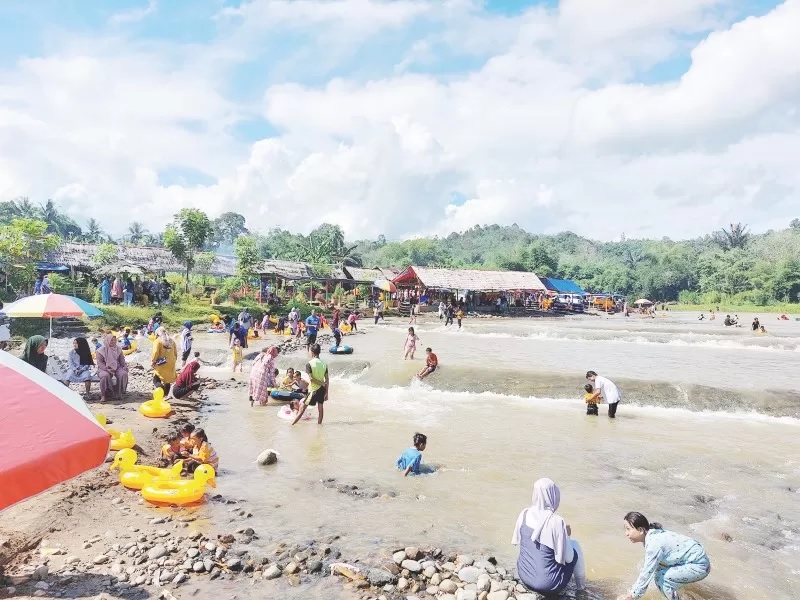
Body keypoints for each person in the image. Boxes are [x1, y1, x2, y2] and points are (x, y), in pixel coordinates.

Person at [512, 478, 587, 596]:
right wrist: (566, 536)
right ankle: (581, 589)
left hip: (524, 577)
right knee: (575, 545)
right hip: (549, 585)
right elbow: (569, 558)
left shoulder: (524, 513)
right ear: (553, 495)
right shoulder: (556, 521)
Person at [616, 512, 710, 600]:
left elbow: (647, 572)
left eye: (628, 529)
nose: (626, 533)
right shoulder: (652, 534)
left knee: (661, 577)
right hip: (696, 560)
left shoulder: (653, 544)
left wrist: (632, 596)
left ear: (640, 530)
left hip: (699, 565)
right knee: (655, 569)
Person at [292, 343, 328, 425]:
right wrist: (326, 392)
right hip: (322, 390)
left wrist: (321, 383)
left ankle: (291, 425)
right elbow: (327, 379)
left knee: (302, 408)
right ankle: (319, 427)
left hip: (313, 390)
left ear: (312, 352)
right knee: (320, 408)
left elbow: (311, 379)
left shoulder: (309, 364)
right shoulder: (324, 364)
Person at [96, 333, 129, 402]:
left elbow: (121, 359)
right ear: (107, 340)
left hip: (117, 366)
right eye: (111, 340)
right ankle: (103, 395)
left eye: (114, 340)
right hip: (104, 368)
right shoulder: (100, 350)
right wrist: (107, 369)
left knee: (123, 374)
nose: (113, 342)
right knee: (105, 376)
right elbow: (100, 363)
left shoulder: (118, 349)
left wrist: (124, 366)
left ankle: (119, 393)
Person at [151, 327, 178, 396]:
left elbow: (155, 352)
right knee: (167, 380)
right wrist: (173, 361)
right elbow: (175, 353)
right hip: (171, 361)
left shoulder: (158, 341)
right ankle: (165, 395)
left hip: (161, 362)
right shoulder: (172, 341)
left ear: (157, 334)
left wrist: (153, 361)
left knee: (156, 379)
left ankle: (161, 390)